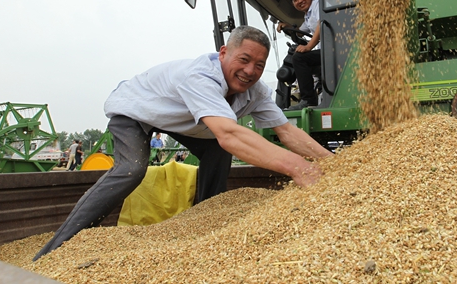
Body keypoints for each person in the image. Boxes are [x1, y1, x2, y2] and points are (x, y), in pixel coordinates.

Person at [34, 25, 333, 260]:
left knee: (217, 147)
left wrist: (332, 164)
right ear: (223, 53)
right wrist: (299, 168)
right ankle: (59, 246)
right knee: (132, 169)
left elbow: (286, 131)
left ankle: (207, 218)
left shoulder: (256, 92)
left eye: (259, 64)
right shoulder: (199, 77)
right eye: (244, 59)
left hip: (181, 120)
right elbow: (230, 134)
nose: (250, 71)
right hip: (136, 110)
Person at [277, 0, 321, 110]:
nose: (299, 1)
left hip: (331, 51)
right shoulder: (307, 15)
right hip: (323, 51)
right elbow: (300, 32)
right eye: (295, 0)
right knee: (299, 60)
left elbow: (321, 25)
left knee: (299, 58)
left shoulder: (318, 5)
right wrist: (287, 26)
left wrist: (308, 47)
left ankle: (308, 100)